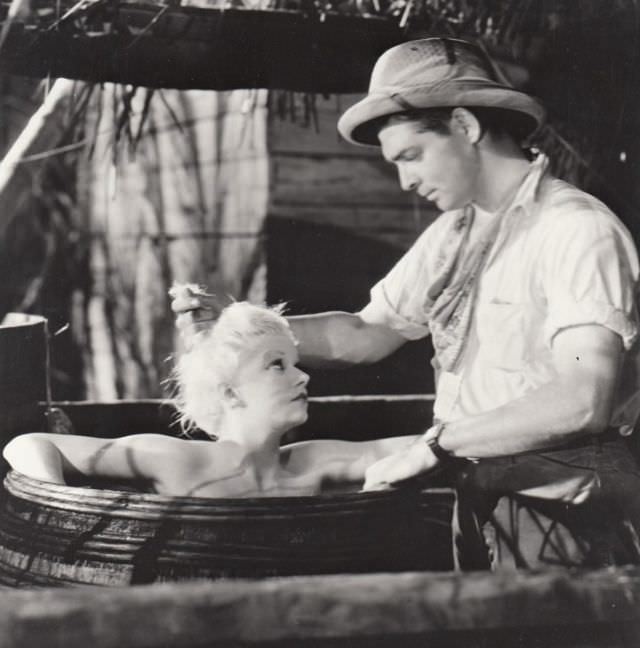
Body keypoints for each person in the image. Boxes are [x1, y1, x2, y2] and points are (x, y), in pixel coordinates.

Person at [172, 37, 640, 568]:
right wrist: (238, 326)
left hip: (567, 503)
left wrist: (436, 445)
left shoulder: (574, 230)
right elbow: (365, 333)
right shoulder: (456, 234)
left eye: (412, 155)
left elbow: (582, 396)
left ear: (465, 126)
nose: (405, 180)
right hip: (483, 493)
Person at [3, 301, 418, 497]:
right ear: (229, 391)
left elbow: (418, 446)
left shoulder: (312, 460)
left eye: (296, 362)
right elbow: (29, 444)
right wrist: (59, 500)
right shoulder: (181, 459)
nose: (303, 374)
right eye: (278, 364)